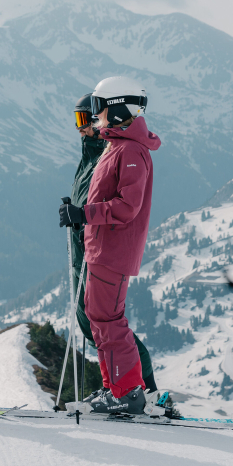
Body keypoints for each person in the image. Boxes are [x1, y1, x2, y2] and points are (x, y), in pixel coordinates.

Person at [58, 77, 160, 414]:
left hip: (113, 250)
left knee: (108, 321)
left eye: (100, 108)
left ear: (116, 110)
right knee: (99, 319)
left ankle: (128, 391)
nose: (95, 116)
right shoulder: (116, 145)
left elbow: (127, 206)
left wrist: (83, 212)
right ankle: (114, 388)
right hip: (100, 247)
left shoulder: (130, 150)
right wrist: (78, 211)